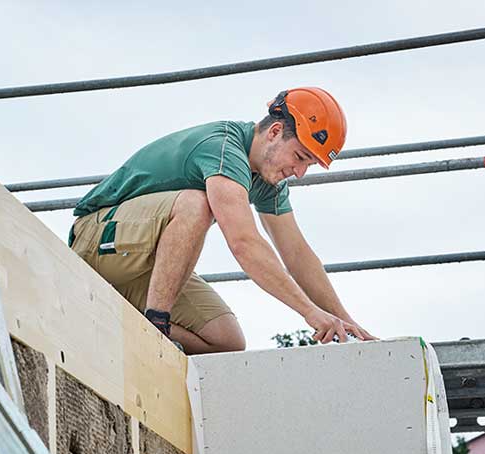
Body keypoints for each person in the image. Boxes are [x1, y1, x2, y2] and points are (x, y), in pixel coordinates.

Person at [68, 87, 377, 354]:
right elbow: (244, 243)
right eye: (299, 157)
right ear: (274, 132)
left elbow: (297, 254)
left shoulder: (268, 181)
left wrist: (345, 323)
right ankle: (154, 330)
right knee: (197, 204)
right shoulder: (224, 149)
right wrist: (309, 312)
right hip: (96, 240)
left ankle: (122, 317)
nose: (299, 173)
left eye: (308, 165)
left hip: (144, 265)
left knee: (225, 340)